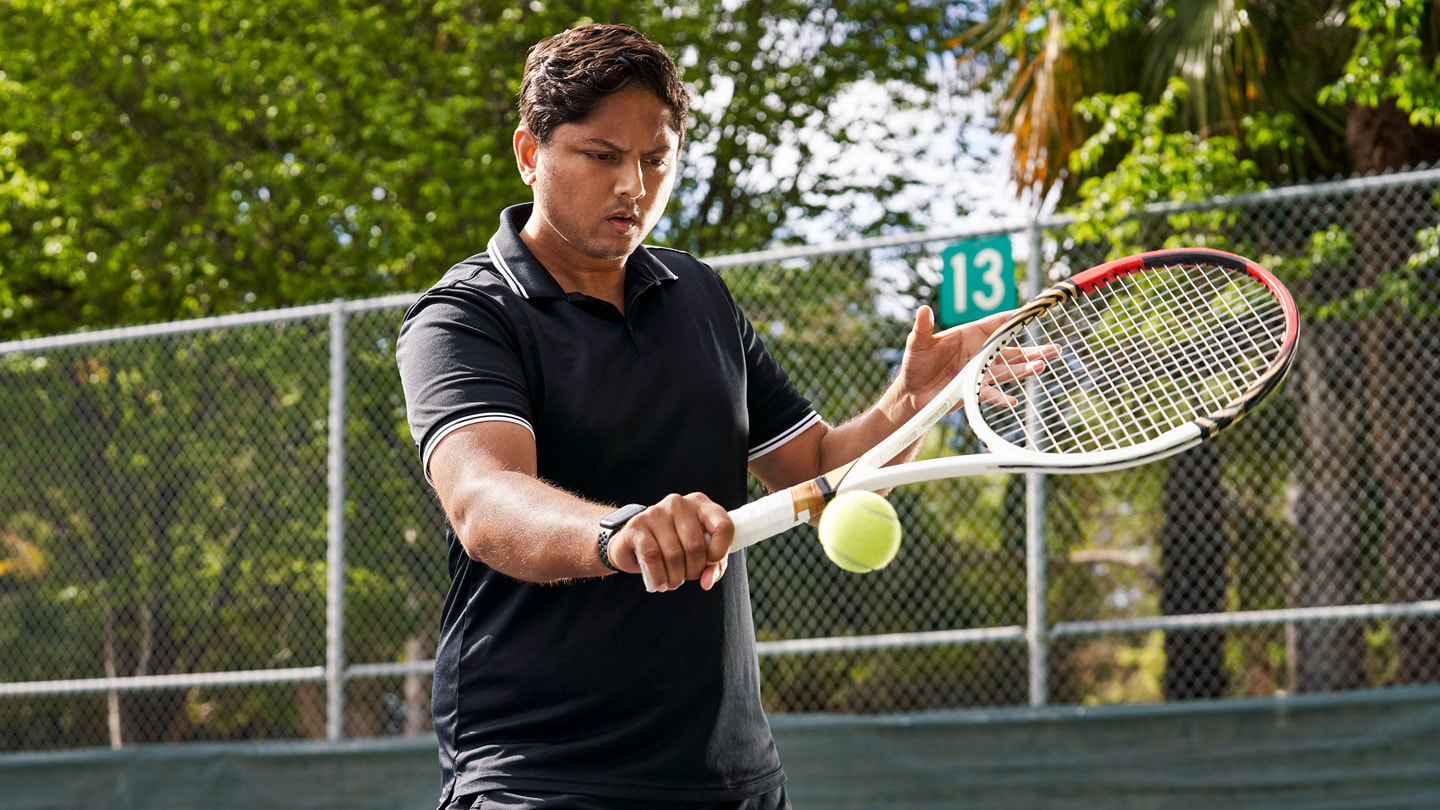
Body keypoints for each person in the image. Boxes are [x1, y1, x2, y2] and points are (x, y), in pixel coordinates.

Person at [396, 23, 1048, 810]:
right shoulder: (464, 316)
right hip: (541, 777)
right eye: (602, 156)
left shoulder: (698, 295)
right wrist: (620, 533)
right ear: (531, 154)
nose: (633, 186)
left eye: (656, 158)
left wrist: (909, 404)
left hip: (733, 781)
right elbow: (486, 501)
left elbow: (818, 473)